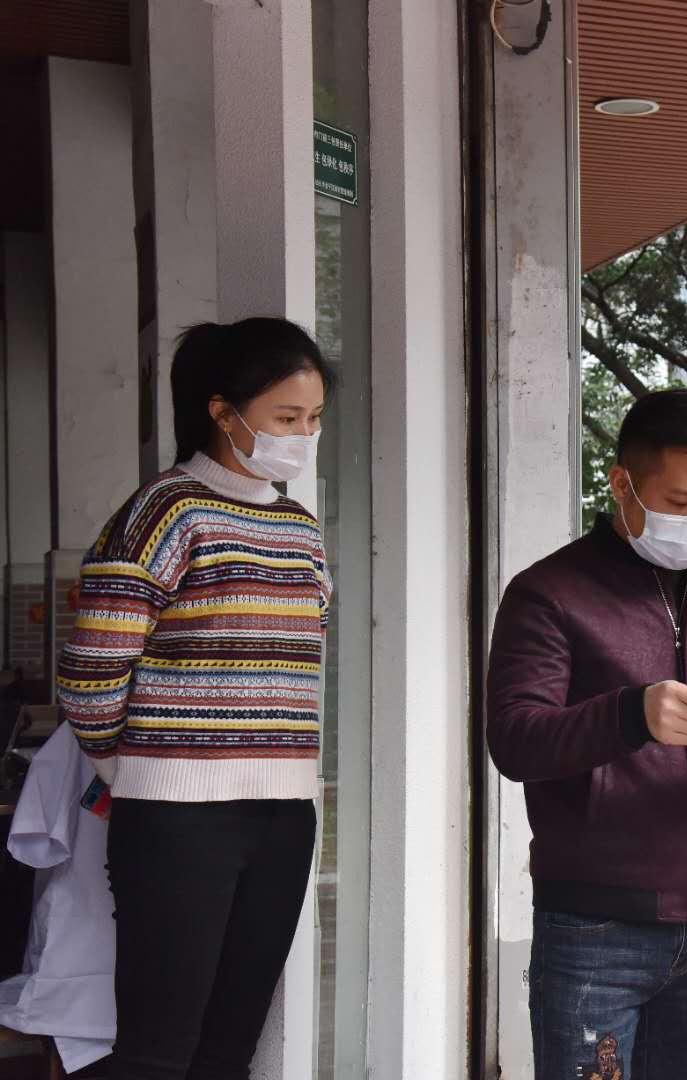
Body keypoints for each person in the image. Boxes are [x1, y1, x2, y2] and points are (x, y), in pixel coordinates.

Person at [486, 388, 687, 1079]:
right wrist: (632, 714)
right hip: (597, 923)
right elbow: (514, 739)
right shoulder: (548, 594)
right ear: (622, 483)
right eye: (680, 502)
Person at [57, 318, 333, 1079]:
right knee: (156, 1050)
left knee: (228, 1047)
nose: (303, 436)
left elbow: (295, 665)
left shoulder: (300, 531)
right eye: (286, 419)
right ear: (223, 411)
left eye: (312, 420)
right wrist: (138, 770)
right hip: (176, 821)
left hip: (285, 816)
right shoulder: (164, 512)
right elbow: (89, 675)